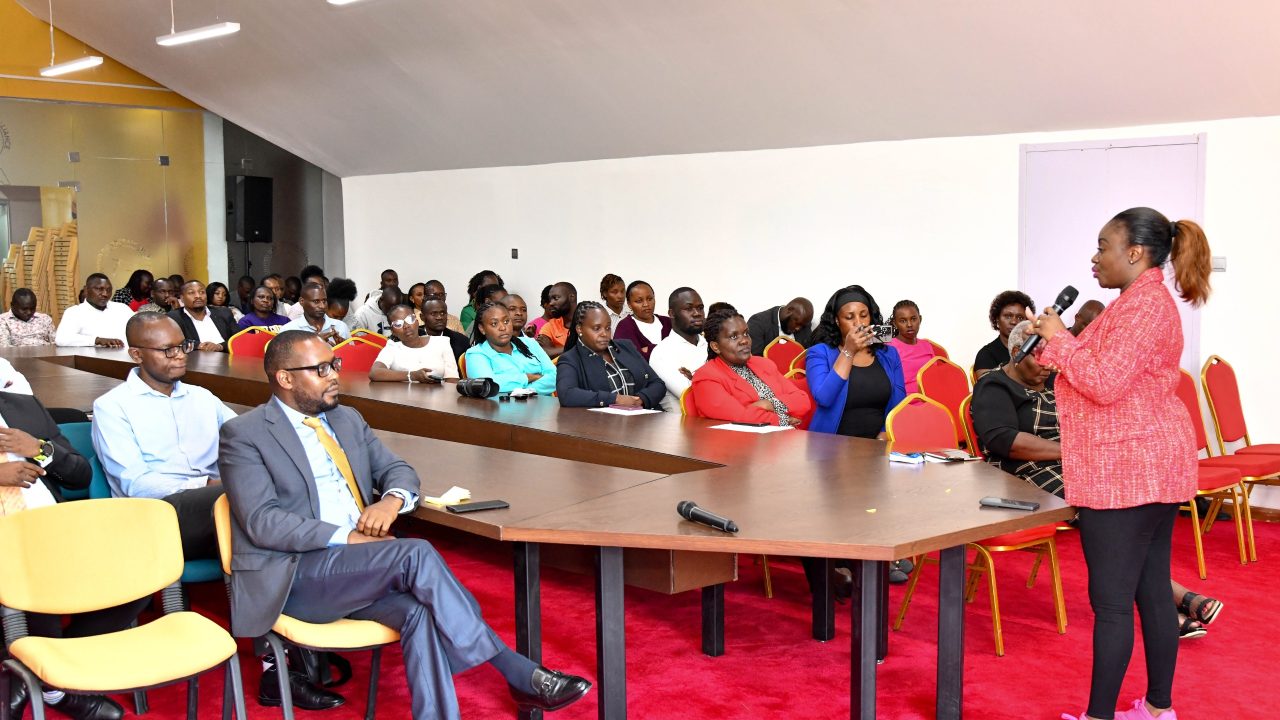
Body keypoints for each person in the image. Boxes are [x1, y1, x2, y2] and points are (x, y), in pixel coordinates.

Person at [219, 331, 591, 719]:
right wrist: (348, 537)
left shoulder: (346, 418)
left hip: (360, 569)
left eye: (335, 365)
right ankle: (515, 671)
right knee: (415, 553)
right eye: (321, 369)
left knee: (419, 611)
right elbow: (262, 522)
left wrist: (391, 500)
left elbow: (397, 469)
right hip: (295, 575)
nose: (335, 376)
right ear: (285, 378)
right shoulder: (245, 434)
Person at [1023, 208, 1211, 720]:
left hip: (1126, 470)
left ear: (1134, 253)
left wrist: (1061, 341)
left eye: (1103, 246)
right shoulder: (1135, 301)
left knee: (1110, 604)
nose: (1094, 256)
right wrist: (1052, 347)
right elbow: (1098, 365)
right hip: (1144, 465)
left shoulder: (1144, 305)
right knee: (1151, 590)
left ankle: (1098, 717)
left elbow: (1105, 383)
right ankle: (1156, 709)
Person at [973, 320, 1224, 644]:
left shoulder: (1054, 383)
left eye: (1052, 357)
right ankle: (1170, 602)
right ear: (1017, 354)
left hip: (1070, 462)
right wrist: (1073, 450)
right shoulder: (994, 386)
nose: (1048, 366)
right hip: (1019, 473)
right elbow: (1006, 442)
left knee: (1126, 507)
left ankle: (1166, 603)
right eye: (1039, 358)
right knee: (1106, 519)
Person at [2, 388, 142, 720]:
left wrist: (39, 449)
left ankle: (38, 669)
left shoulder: (23, 405)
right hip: (14, 542)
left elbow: (80, 474)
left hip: (53, 528)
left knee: (139, 568)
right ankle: (55, 686)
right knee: (37, 572)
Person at [92, 313, 235, 561]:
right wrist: (208, 485)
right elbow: (136, 484)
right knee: (243, 501)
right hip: (157, 514)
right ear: (137, 355)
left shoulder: (202, 397)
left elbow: (246, 435)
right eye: (167, 350)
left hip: (218, 501)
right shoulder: (112, 407)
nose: (180, 355)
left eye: (183, 346)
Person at [805, 286, 906, 439]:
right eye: (849, 317)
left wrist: (885, 433)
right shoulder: (819, 353)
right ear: (837, 321)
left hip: (877, 446)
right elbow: (824, 398)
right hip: (830, 446)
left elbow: (898, 402)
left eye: (864, 315)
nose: (859, 323)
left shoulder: (889, 354)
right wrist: (849, 351)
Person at [690, 309, 810, 426]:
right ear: (716, 346)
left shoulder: (764, 364)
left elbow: (802, 400)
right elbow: (741, 417)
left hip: (783, 439)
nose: (744, 341)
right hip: (741, 443)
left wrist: (769, 404)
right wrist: (784, 420)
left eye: (746, 333)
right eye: (733, 337)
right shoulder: (707, 377)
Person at [556, 301, 666, 410]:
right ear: (579, 329)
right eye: (596, 328)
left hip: (646, 418)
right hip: (604, 424)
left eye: (608, 328)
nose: (604, 334)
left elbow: (657, 383)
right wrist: (615, 399)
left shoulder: (626, 347)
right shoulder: (571, 359)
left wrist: (641, 400)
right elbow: (567, 394)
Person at [465, 302, 558, 394]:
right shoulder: (476, 354)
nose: (503, 328)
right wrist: (528, 378)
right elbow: (487, 385)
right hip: (501, 408)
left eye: (506, 321)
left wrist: (525, 392)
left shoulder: (530, 343)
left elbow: (554, 376)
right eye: (494, 324)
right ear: (482, 328)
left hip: (542, 406)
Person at [648, 287, 708, 412]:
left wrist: (694, 378)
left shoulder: (711, 345)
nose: (697, 313)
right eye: (688, 308)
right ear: (671, 314)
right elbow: (693, 396)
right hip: (682, 426)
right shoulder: (662, 352)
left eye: (700, 308)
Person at [369, 305, 459, 382]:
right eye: (398, 324)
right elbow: (374, 373)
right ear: (393, 331)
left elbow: (452, 380)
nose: (406, 326)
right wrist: (411, 376)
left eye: (410, 319)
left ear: (417, 321)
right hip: (404, 399)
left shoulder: (441, 343)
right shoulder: (392, 348)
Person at [55, 273, 133, 348]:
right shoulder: (75, 312)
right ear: (86, 290)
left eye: (109, 290)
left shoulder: (122, 309)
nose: (105, 294)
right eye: (100, 289)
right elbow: (62, 338)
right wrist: (96, 340)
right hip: (94, 360)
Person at [973, 290, 1034, 379]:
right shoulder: (986, 354)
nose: (1014, 322)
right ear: (997, 319)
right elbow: (988, 387)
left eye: (1020, 317)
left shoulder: (1034, 351)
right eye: (1008, 316)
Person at [168, 280, 238, 352]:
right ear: (182, 298)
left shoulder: (224, 313)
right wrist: (198, 345)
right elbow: (172, 342)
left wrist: (220, 346)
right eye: (191, 293)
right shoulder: (174, 318)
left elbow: (239, 337)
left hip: (228, 359)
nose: (198, 296)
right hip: (194, 361)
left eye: (202, 292)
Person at [612, 280, 671, 359]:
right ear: (629, 304)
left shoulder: (668, 322)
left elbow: (682, 349)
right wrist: (668, 348)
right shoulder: (625, 327)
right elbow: (630, 359)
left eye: (650, 299)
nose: (646, 304)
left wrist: (649, 349)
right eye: (639, 301)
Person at [887, 299, 936, 394]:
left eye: (913, 319)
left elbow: (935, 377)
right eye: (903, 321)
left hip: (931, 400)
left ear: (920, 319)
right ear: (895, 323)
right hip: (905, 402)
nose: (909, 325)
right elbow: (888, 384)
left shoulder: (927, 345)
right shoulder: (889, 348)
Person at [281, 282, 351, 345]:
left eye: (324, 301)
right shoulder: (288, 330)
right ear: (302, 301)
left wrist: (343, 349)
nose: (322, 306)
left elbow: (353, 357)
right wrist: (313, 344)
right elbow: (283, 358)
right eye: (316, 301)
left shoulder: (341, 327)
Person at [746, 297, 814, 356]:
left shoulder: (804, 324)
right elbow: (756, 359)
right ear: (789, 311)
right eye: (797, 323)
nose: (798, 328)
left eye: (802, 326)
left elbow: (808, 353)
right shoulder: (758, 323)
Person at [421, 299, 471, 365]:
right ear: (422, 317)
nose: (439, 317)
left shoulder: (461, 341)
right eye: (433, 314)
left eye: (442, 313)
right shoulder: (413, 337)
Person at [535, 282, 576, 359]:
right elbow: (545, 353)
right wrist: (575, 347)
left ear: (571, 297)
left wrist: (554, 349)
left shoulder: (586, 321)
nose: (551, 303)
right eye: (550, 299)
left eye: (556, 298)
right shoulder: (550, 326)